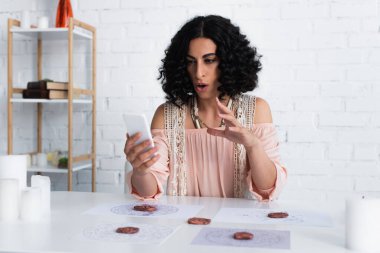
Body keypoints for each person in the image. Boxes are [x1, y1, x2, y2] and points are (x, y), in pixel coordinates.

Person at [124, 15, 287, 201]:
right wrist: (140, 171)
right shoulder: (166, 114)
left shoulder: (256, 110)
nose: (198, 72)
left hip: (239, 227)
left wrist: (253, 145)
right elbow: (149, 193)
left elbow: (267, 191)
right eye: (190, 61)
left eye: (209, 60)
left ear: (229, 62)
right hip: (185, 225)